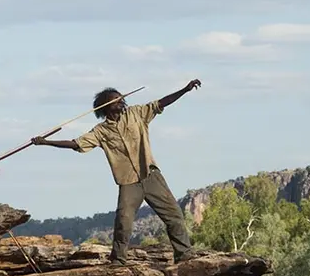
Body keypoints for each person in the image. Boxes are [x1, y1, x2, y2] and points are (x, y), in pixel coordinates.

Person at [33, 80, 203, 265]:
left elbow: (161, 103)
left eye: (121, 98)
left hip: (151, 174)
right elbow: (76, 144)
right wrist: (46, 142)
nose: (121, 101)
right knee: (123, 220)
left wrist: (185, 90)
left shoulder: (136, 113)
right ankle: (118, 260)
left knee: (174, 215)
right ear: (105, 106)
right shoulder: (100, 131)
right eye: (116, 99)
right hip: (128, 181)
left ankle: (184, 253)